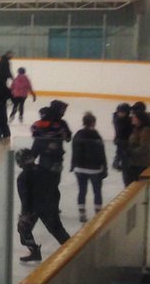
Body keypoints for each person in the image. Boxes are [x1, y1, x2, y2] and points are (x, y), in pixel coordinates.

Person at [26, 103, 72, 247]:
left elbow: (36, 139)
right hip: (53, 160)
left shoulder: (44, 124)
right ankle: (50, 206)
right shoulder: (60, 123)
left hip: (49, 159)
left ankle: (49, 206)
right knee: (52, 184)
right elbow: (68, 137)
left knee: (50, 185)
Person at [69, 112, 107, 222]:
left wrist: (73, 165)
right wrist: (104, 168)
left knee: (82, 190)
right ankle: (98, 212)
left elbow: (74, 151)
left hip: (80, 168)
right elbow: (102, 153)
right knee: (97, 191)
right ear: (93, 123)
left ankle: (82, 213)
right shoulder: (96, 135)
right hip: (95, 169)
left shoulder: (78, 135)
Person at [126, 110, 150, 185]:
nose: (132, 118)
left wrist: (130, 152)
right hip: (134, 163)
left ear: (140, 119)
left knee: (138, 186)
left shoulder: (146, 131)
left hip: (141, 164)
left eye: (134, 117)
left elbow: (144, 147)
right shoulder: (137, 129)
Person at [112, 103, 133, 176]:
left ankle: (117, 163)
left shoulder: (117, 118)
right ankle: (117, 163)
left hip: (120, 139)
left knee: (119, 152)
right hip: (122, 140)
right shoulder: (120, 121)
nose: (120, 113)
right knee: (121, 152)